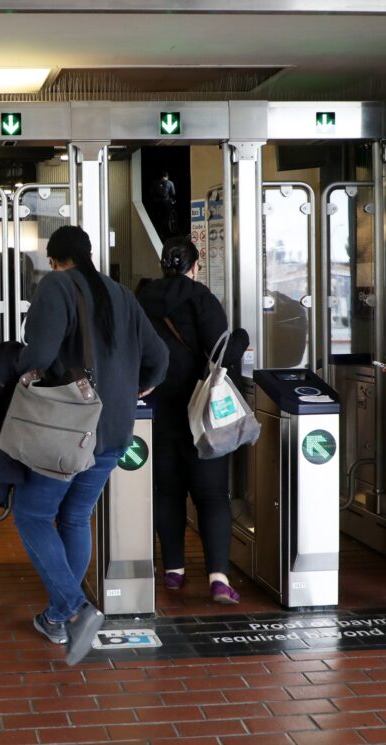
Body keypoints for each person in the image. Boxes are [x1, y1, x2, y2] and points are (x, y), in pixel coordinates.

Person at [13, 226, 168, 665]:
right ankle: (56, 617)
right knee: (76, 516)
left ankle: (76, 609)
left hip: (68, 430)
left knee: (32, 515)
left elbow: (38, 355)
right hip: (114, 429)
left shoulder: (56, 286)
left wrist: (18, 368)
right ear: (89, 254)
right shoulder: (121, 293)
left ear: (54, 260)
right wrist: (137, 389)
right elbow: (159, 358)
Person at [136, 237, 248, 605]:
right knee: (212, 496)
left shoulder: (142, 298)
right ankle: (218, 578)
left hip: (157, 410)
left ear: (163, 264)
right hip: (201, 413)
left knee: (167, 492)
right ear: (195, 267)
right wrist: (242, 337)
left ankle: (174, 571)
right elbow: (221, 355)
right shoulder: (201, 298)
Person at [149, 171, 177, 239]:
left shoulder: (155, 182)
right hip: (165, 203)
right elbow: (173, 193)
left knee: (156, 217)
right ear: (167, 176)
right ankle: (166, 232)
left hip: (155, 203)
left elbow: (151, 192)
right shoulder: (170, 183)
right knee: (166, 217)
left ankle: (156, 231)